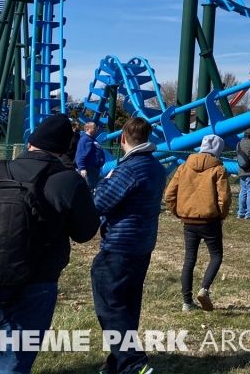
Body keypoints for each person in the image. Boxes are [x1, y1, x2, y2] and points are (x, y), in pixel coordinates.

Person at [0, 113, 99, 374]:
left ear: (30, 142)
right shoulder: (68, 181)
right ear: (64, 148)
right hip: (34, 284)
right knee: (12, 364)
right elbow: (85, 232)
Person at [92, 116, 167, 374]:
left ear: (123, 138)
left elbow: (99, 203)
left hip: (119, 245)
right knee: (127, 303)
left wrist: (104, 180)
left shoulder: (128, 169)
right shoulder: (155, 167)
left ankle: (133, 362)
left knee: (110, 303)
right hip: (142, 244)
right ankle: (117, 360)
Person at [164, 134, 231, 312]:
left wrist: (179, 212)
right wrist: (221, 215)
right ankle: (205, 289)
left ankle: (187, 302)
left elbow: (168, 195)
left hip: (188, 221)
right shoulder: (219, 170)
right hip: (211, 221)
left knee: (189, 260)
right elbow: (224, 197)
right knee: (216, 256)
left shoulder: (184, 167)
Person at [75, 121, 107, 191]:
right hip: (89, 169)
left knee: (92, 188)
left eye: (96, 127)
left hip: (95, 169)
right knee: (88, 189)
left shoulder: (93, 139)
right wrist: (82, 168)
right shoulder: (85, 139)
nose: (96, 129)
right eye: (94, 128)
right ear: (87, 129)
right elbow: (80, 154)